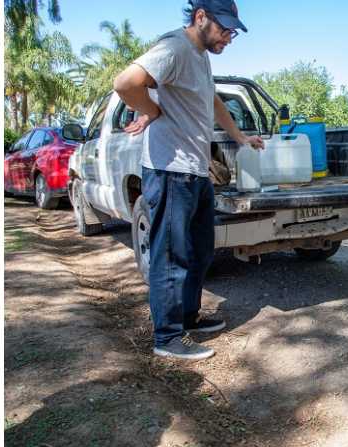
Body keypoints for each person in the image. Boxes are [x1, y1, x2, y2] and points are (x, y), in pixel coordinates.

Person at [113, 0, 264, 360]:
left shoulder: (200, 56)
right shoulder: (175, 47)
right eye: (224, 29)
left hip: (195, 170)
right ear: (200, 17)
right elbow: (125, 83)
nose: (229, 37)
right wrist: (154, 110)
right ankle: (167, 336)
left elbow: (212, 101)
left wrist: (240, 137)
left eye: (232, 31)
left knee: (200, 250)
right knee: (171, 254)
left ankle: (188, 318)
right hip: (169, 170)